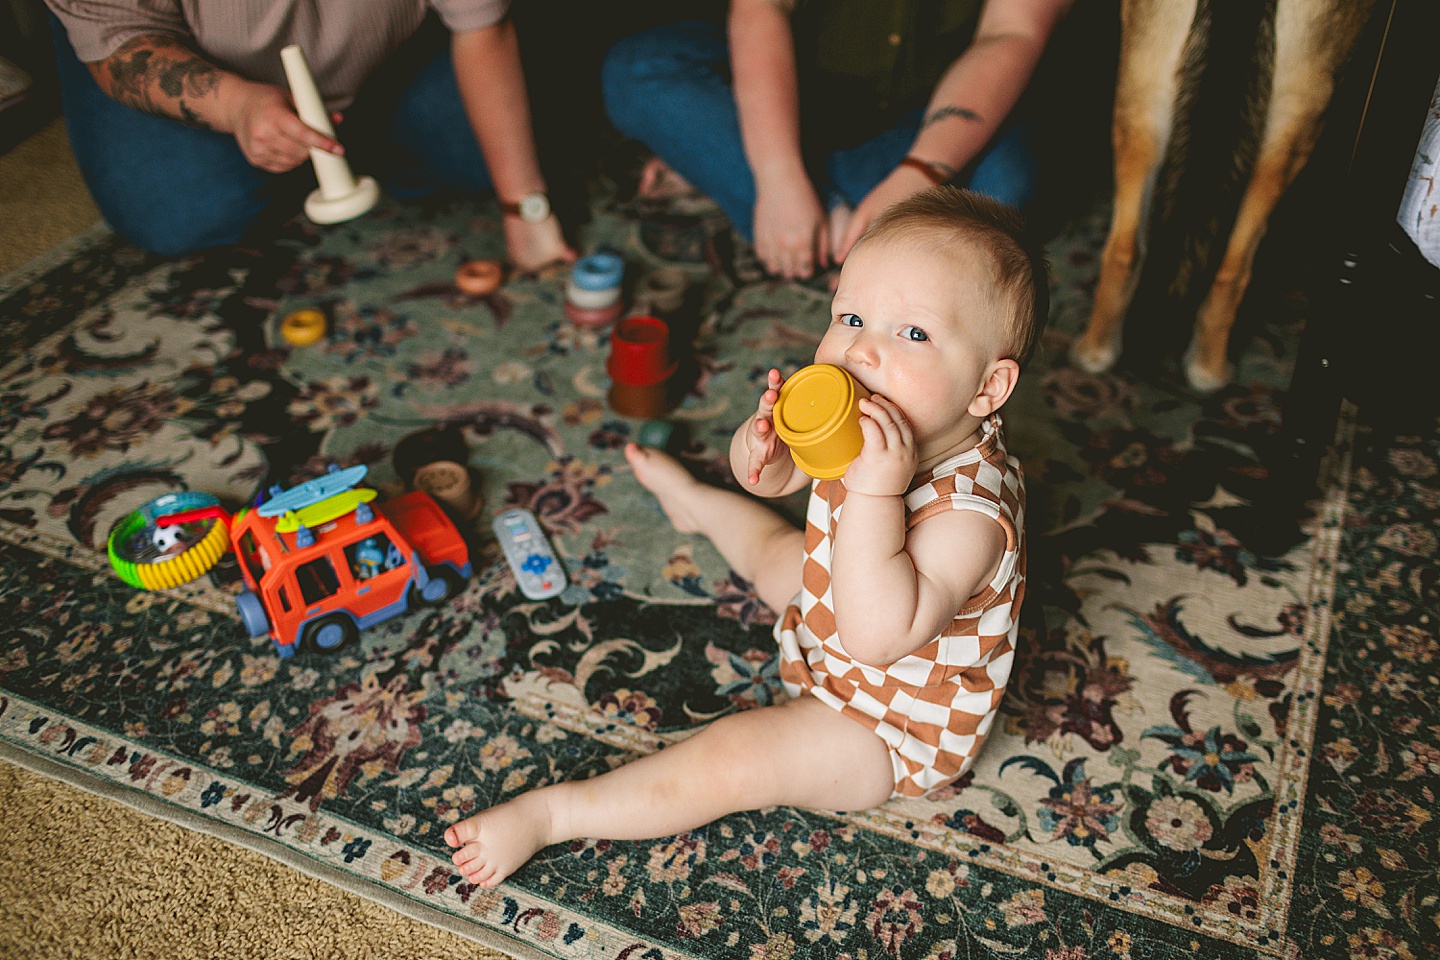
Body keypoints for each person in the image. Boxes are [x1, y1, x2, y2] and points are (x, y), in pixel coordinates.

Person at [445, 186, 1048, 888]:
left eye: (911, 333)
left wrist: (879, 490)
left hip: (886, 724)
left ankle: (554, 816)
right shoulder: (879, 418)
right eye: (851, 316)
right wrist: (763, 451)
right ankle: (697, 504)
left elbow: (877, 634)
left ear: (987, 387)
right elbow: (777, 481)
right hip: (824, 606)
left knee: (736, 757)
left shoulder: (971, 516)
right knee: (773, 549)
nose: (862, 350)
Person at [43, 0, 575, 267]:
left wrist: (523, 207)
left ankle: (345, 129)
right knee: (181, 215)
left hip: (381, 51)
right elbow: (119, 42)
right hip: (165, 44)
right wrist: (234, 107)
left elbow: (482, 27)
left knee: (492, 150)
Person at [601, 0, 1070, 281]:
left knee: (1012, 182)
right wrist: (778, 173)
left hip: (935, 114)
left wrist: (921, 173)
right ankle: (846, 222)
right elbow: (762, 6)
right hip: (799, 89)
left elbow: (1013, 32)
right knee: (638, 71)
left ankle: (785, 203)